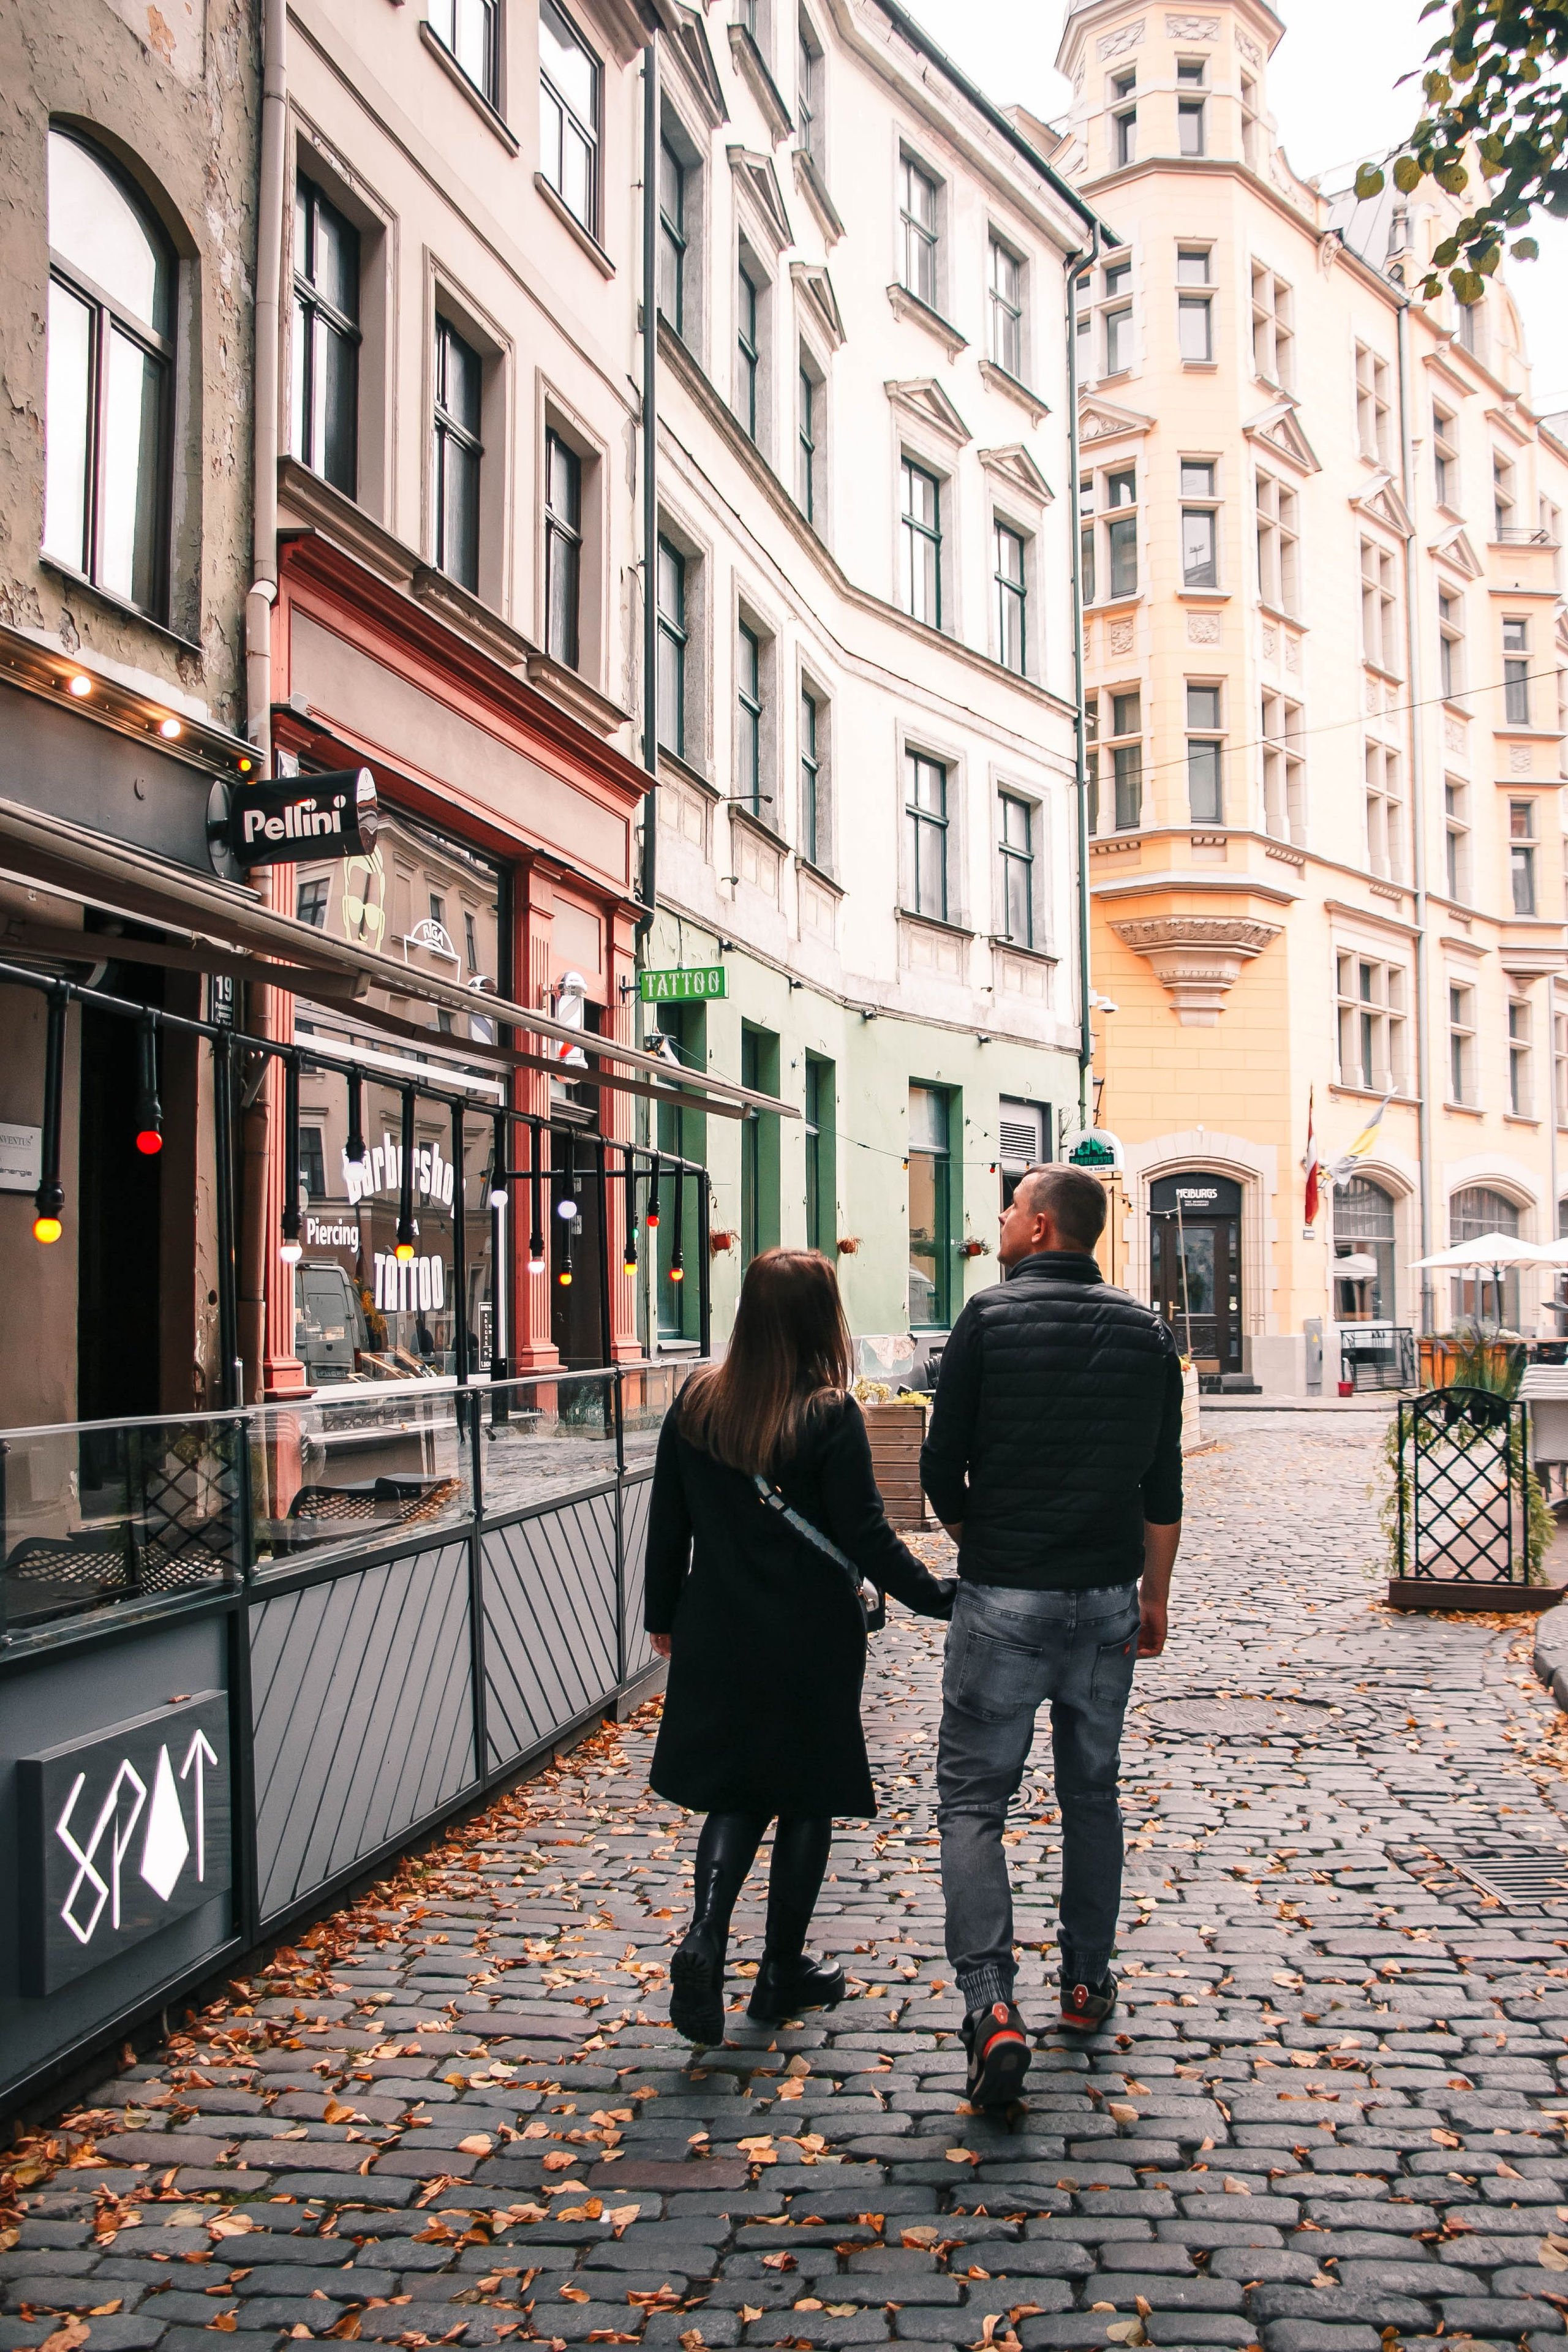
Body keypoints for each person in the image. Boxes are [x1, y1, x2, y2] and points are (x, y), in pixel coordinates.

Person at [920, 1164, 1183, 2106]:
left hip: (1004, 1599)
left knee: (973, 1802)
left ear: (1040, 1226)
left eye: (1008, 1206)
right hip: (1107, 1598)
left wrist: (976, 1540)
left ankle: (991, 2005)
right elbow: (1163, 1486)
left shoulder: (987, 1321)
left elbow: (940, 1467)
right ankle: (1083, 1979)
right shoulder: (1149, 1332)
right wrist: (1154, 1597)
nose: (997, 1218)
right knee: (1092, 1796)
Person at [645, 1248, 955, 2045]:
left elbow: (667, 1522)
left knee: (737, 1791)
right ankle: (780, 1973)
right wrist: (940, 1599)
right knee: (806, 1795)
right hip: (809, 1636)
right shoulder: (828, 1413)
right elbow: (868, 1537)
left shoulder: (698, 1400)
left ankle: (705, 1939)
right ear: (821, 1319)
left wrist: (662, 1614)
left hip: (717, 1626)